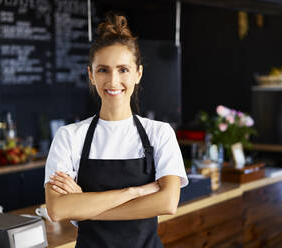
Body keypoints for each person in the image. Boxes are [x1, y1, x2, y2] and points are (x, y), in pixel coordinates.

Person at [44, 12, 188, 248]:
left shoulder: (159, 133)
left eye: (123, 70)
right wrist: (133, 192)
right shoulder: (69, 137)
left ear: (138, 74)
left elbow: (167, 202)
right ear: (91, 74)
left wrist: (84, 207)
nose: (113, 81)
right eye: (103, 70)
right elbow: (58, 209)